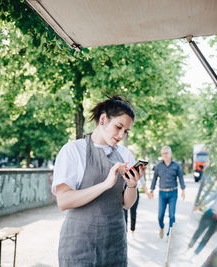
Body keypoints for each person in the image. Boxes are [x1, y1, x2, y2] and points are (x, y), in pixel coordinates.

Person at [52, 95, 146, 267]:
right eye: (118, 127)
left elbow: (126, 204)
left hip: (115, 244)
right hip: (79, 246)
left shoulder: (125, 155)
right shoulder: (73, 151)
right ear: (103, 119)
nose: (121, 135)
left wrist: (132, 184)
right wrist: (105, 185)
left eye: (126, 131)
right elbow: (63, 201)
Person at [149, 146, 186, 238]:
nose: (165, 155)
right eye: (163, 153)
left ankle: (170, 234)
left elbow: (181, 178)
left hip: (173, 193)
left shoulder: (176, 166)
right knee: (160, 216)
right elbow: (154, 179)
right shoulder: (158, 166)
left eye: (166, 153)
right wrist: (151, 190)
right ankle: (161, 227)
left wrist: (183, 190)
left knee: (172, 215)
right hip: (162, 193)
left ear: (170, 154)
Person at [124, 172, 152, 237]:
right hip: (123, 190)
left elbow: (142, 180)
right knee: (124, 213)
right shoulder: (119, 162)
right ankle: (125, 233)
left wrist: (147, 192)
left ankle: (132, 230)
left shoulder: (134, 162)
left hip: (134, 189)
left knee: (133, 211)